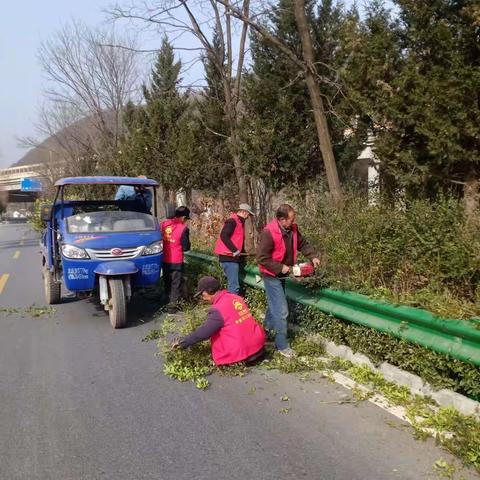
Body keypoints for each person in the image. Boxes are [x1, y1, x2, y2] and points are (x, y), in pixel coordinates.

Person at [257, 204, 321, 358]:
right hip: (271, 274)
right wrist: (281, 267)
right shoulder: (268, 232)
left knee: (275, 305)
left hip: (283, 274)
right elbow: (262, 258)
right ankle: (282, 345)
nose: (294, 221)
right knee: (282, 310)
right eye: (291, 219)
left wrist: (312, 256)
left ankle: (264, 334)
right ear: (281, 219)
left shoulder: (292, 229)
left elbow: (302, 243)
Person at [172, 276, 266, 366]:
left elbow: (203, 333)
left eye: (202, 294)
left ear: (209, 291)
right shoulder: (236, 298)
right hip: (259, 346)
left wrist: (182, 343)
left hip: (242, 353)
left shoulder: (218, 309)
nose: (202, 298)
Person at [214, 203, 255, 294]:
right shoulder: (232, 221)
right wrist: (235, 250)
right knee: (234, 286)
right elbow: (224, 236)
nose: (248, 217)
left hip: (232, 258)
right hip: (228, 258)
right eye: (248, 214)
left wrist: (242, 255)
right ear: (244, 212)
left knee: (233, 284)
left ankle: (231, 303)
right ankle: (232, 306)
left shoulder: (239, 222)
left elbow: (238, 241)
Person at [161, 206, 191, 313]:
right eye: (186, 219)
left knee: (167, 281)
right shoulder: (183, 229)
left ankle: (166, 301)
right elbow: (186, 247)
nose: (186, 221)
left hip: (164, 259)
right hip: (176, 260)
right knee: (176, 284)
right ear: (183, 217)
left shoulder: (164, 224)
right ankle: (172, 307)